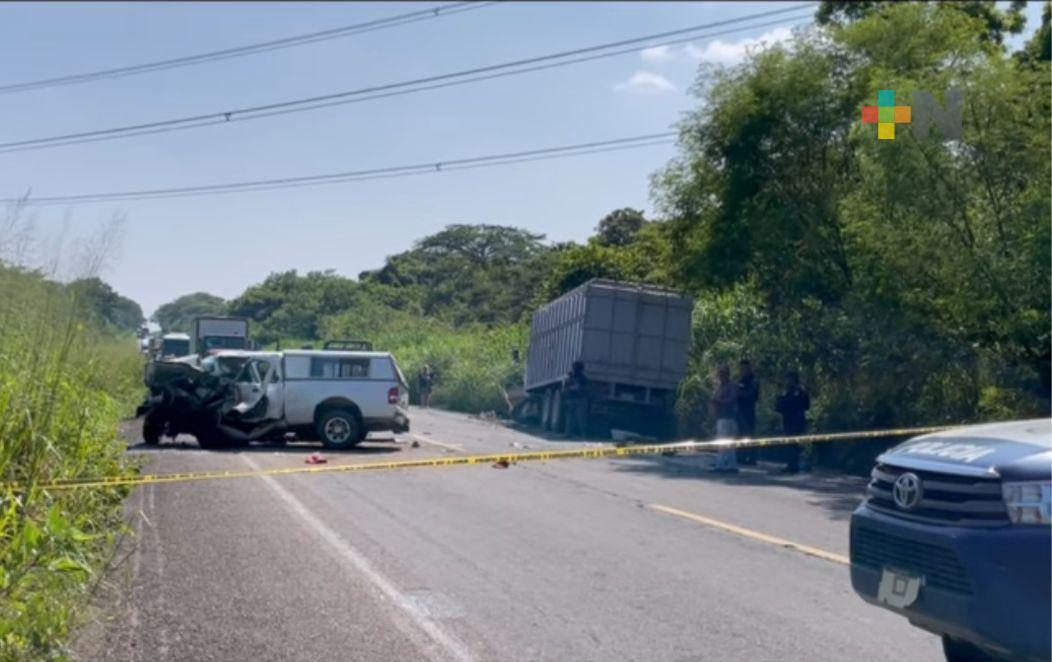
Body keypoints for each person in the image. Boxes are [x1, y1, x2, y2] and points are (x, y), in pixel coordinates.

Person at [775, 371, 811, 474]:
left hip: (797, 419)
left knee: (796, 443)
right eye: (787, 379)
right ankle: (791, 464)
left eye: (790, 378)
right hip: (787, 419)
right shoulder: (785, 391)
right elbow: (779, 403)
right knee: (789, 443)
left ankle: (796, 465)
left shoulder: (800, 390)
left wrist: (788, 404)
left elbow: (805, 404)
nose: (787, 381)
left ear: (794, 379)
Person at [709, 364, 739, 472]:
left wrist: (719, 401)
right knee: (728, 443)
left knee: (724, 442)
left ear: (727, 374)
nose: (720, 376)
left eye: (722, 373)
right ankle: (731, 466)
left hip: (728, 418)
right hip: (721, 417)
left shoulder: (732, 386)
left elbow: (732, 399)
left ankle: (721, 466)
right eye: (719, 373)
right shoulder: (719, 386)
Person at [736, 359, 759, 465]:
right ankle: (741, 456)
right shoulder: (740, 380)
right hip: (739, 411)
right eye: (741, 368)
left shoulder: (753, 381)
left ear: (749, 368)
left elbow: (751, 395)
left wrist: (739, 394)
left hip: (748, 411)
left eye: (745, 368)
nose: (743, 371)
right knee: (740, 435)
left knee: (749, 434)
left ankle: (752, 457)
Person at [562, 361, 589, 438]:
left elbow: (565, 388)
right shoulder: (582, 378)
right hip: (579, 400)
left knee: (571, 418)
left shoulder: (571, 377)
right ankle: (582, 434)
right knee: (579, 418)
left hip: (573, 399)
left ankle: (568, 434)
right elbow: (585, 389)